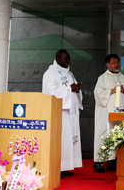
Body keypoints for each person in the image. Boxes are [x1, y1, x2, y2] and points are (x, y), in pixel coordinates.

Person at [41, 49, 82, 177]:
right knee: (61, 140)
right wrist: (70, 89)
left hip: (71, 113)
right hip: (60, 113)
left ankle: (64, 167)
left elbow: (72, 89)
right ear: (58, 58)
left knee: (68, 141)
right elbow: (51, 92)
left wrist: (77, 89)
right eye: (65, 59)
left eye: (69, 59)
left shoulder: (69, 73)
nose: (68, 61)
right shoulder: (50, 73)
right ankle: (56, 168)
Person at [93, 54, 124, 173]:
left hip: (120, 112)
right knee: (104, 135)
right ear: (108, 65)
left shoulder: (123, 77)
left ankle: (113, 163)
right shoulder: (102, 78)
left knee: (118, 136)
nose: (117, 64)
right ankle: (99, 163)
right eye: (114, 62)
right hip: (106, 113)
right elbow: (98, 94)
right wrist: (113, 90)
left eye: (118, 62)